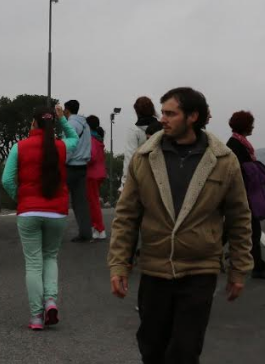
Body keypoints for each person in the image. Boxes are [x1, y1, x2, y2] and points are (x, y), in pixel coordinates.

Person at [108, 87, 253, 364]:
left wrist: (238, 269)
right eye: (162, 112)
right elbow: (126, 216)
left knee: (185, 350)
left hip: (200, 268)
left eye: (171, 113)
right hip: (154, 267)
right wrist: (119, 263)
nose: (163, 118)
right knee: (152, 346)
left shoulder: (223, 161)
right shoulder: (144, 157)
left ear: (192, 116)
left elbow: (239, 217)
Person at [1, 105, 78, 330]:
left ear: (33, 124)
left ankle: (36, 316)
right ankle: (51, 301)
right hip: (56, 211)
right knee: (50, 257)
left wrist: (21, 197)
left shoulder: (20, 147)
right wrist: (62, 120)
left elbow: (6, 180)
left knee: (33, 263)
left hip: (29, 211)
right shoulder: (62, 147)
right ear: (52, 125)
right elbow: (75, 137)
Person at [227, 110, 265, 281]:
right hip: (243, 196)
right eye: (251, 124)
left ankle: (216, 257)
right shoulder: (236, 145)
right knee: (253, 232)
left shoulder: (238, 143)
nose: (253, 127)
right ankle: (258, 268)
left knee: (233, 230)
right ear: (245, 126)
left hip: (243, 195)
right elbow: (240, 171)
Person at [63, 100, 93, 243]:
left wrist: (62, 161)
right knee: (81, 202)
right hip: (83, 166)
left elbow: (68, 147)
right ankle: (86, 233)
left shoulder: (70, 125)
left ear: (67, 110)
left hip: (70, 166)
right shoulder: (85, 125)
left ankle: (53, 232)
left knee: (59, 198)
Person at [120, 97, 160, 191]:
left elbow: (130, 157)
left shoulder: (134, 130)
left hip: (141, 175)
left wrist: (124, 182)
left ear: (137, 111)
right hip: (160, 175)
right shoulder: (162, 127)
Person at [85, 115, 107, 240]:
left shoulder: (90, 139)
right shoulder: (98, 138)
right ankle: (98, 228)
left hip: (91, 174)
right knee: (94, 202)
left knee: (93, 203)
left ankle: (99, 228)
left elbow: (91, 156)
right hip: (99, 173)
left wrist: (81, 160)